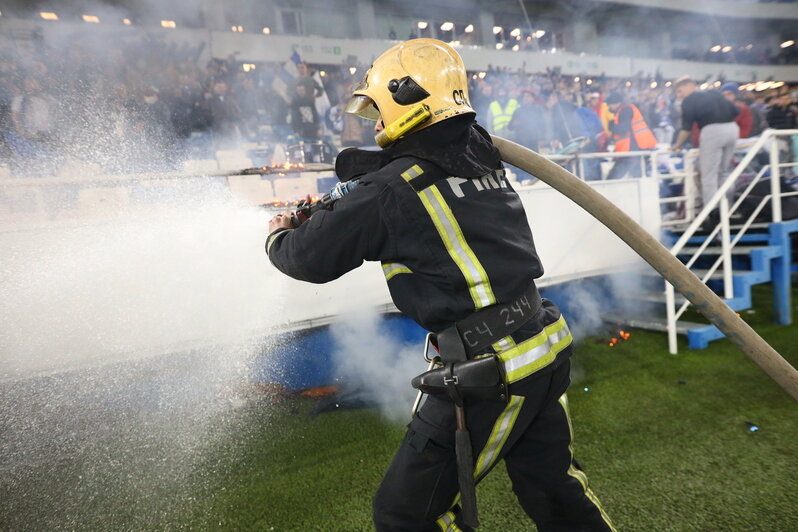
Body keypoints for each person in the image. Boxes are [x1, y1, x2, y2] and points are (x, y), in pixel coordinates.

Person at [266, 38, 615, 532]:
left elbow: (304, 258)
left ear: (406, 99)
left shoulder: (389, 192)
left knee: (405, 515)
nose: (379, 124)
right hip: (541, 340)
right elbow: (404, 169)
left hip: (493, 367)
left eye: (380, 111)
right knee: (555, 489)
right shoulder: (477, 148)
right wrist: (341, 194)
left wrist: (280, 231)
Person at [672, 76, 739, 212]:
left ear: (689, 85)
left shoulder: (688, 101)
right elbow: (736, 111)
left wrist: (677, 145)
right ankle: (729, 207)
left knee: (709, 175)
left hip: (711, 131)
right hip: (732, 128)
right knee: (724, 171)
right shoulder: (714, 93)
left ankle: (712, 211)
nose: (679, 96)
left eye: (679, 91)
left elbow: (686, 128)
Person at [605, 91, 657, 179]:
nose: (609, 108)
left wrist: (611, 126)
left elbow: (623, 130)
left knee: (613, 178)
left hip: (631, 150)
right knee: (639, 176)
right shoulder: (625, 110)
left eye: (609, 105)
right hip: (632, 150)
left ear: (615, 103)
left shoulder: (625, 110)